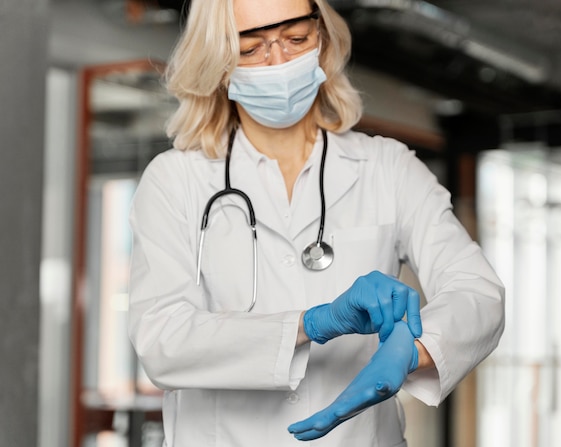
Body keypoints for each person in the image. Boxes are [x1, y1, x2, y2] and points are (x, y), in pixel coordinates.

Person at [127, 0, 505, 445]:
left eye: (296, 39)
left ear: (322, 39)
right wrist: (312, 323)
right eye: (251, 49)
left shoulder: (387, 167)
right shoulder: (176, 179)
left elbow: (477, 291)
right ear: (220, 62)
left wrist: (414, 352)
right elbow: (162, 340)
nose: (279, 61)